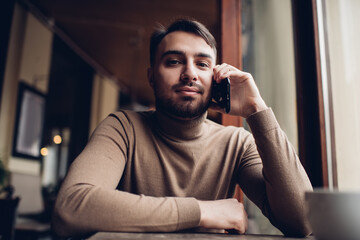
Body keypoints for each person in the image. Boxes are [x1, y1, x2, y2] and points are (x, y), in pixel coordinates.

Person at [52, 18, 313, 237]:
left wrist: (256, 109)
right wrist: (203, 211)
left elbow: (303, 220)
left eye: (202, 64)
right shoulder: (123, 128)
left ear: (216, 79)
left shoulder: (237, 143)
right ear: (152, 77)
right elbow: (71, 208)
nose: (190, 73)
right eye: (174, 61)